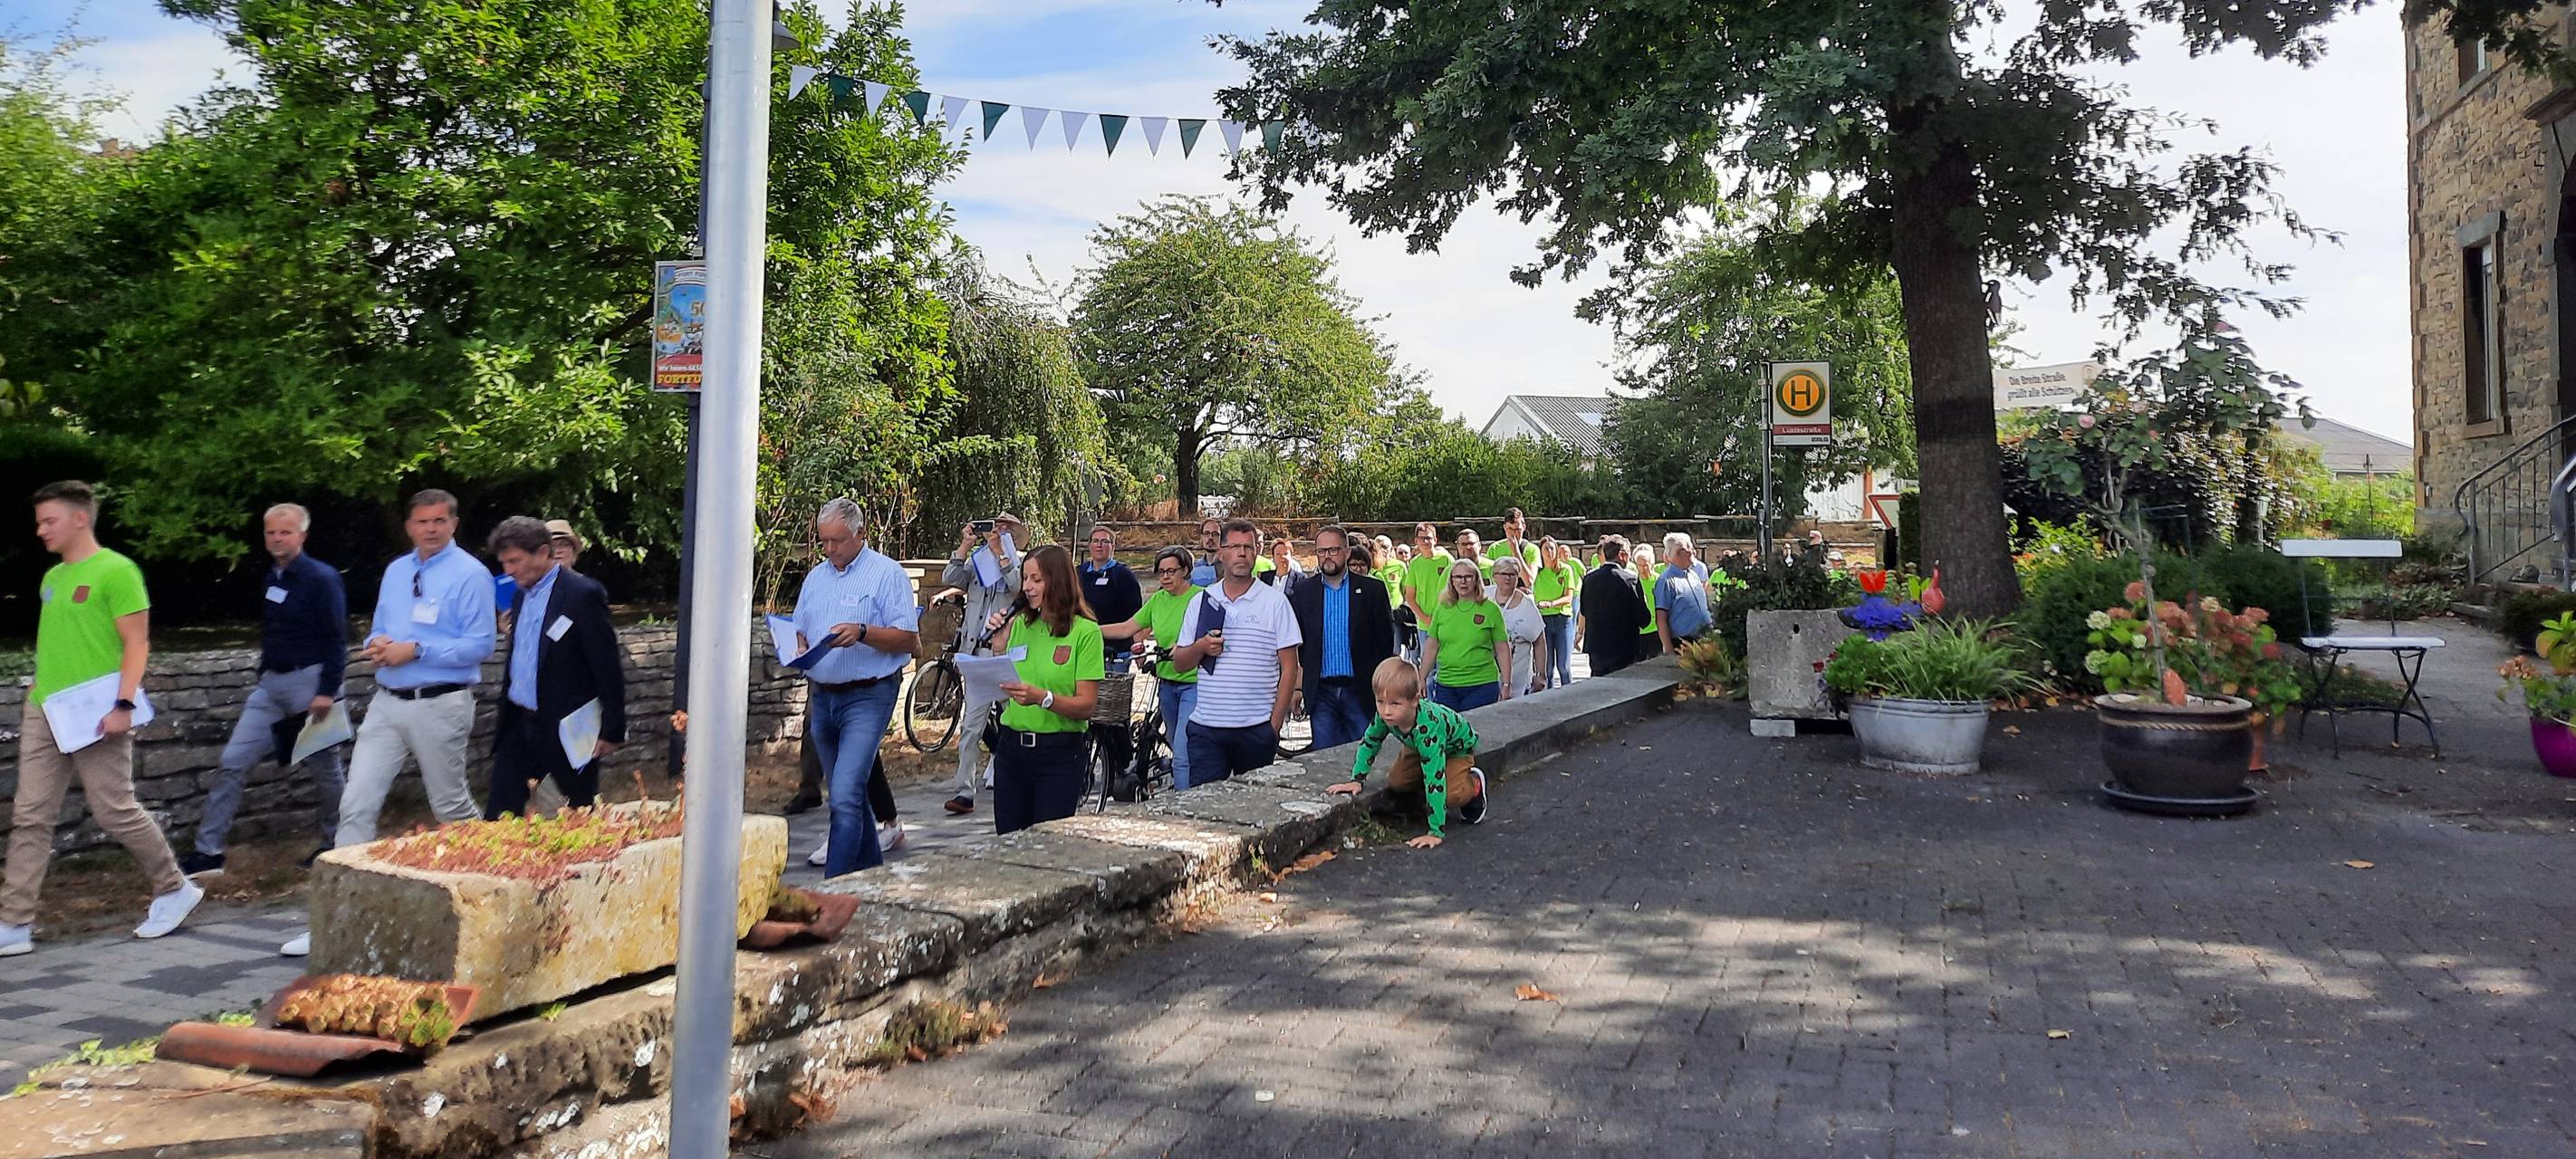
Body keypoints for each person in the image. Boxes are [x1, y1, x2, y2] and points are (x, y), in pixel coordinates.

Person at [283, 489, 496, 957]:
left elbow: (481, 644)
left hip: (440, 702)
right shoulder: (398, 570)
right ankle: (335, 921)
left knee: (450, 807)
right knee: (355, 804)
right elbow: (379, 625)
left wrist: (416, 650)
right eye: (422, 521)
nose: (431, 529)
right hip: (387, 702)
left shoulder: (471, 574)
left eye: (439, 521)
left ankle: (494, 898)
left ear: (454, 523)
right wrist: (377, 643)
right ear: (409, 526)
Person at [2, 482, 201, 956]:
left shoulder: (118, 571)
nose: (40, 530)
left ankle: (174, 888)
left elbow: (137, 643)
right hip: (46, 709)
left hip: (98, 714)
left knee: (114, 809)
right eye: (38, 522)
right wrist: (39, 684)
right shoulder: (52, 578)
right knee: (30, 815)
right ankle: (14, 923)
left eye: (48, 521)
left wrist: (124, 706)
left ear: (79, 519)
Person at [182, 503, 349, 877]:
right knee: (232, 761)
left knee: (325, 771)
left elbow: (337, 640)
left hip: (311, 685)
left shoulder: (322, 579)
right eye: (271, 532)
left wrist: (327, 691)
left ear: (302, 535)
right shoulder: (272, 577)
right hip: (271, 688)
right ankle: (209, 853)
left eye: (285, 532)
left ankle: (338, 844)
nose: (277, 538)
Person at [793, 498, 919, 876]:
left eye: (838, 540)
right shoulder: (816, 577)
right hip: (823, 695)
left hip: (868, 694)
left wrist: (863, 632)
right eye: (824, 541)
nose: (830, 549)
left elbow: (909, 639)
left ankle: (835, 885)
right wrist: (798, 644)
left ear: (860, 533)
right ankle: (869, 876)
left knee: (845, 794)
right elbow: (800, 626)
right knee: (847, 795)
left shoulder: (886, 574)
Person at [483, 517, 626, 821]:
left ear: (543, 553)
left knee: (579, 813)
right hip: (519, 723)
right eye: (504, 563)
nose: (509, 571)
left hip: (566, 726)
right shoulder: (519, 595)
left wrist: (612, 728)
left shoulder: (582, 594)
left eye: (515, 561)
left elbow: (606, 665)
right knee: (498, 815)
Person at [1171, 518, 1302, 782]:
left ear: (1256, 553)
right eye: (1234, 547)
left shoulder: (1275, 603)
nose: (1242, 553)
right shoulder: (1201, 601)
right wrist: (1201, 647)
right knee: (1205, 804)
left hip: (1256, 729)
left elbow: (1290, 667)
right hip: (1207, 728)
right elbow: (1180, 663)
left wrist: (1274, 726)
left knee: (1255, 805)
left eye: (1248, 547)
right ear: (1221, 553)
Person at [985, 544, 1102, 833]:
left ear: (1058, 580)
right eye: (1025, 578)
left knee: (1047, 843)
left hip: (1059, 754)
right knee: (1009, 842)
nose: (1027, 587)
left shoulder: (1085, 632)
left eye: (1036, 580)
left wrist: (1043, 698)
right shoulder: (1020, 625)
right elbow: (1003, 688)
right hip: (1011, 750)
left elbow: (1086, 705)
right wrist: (998, 647)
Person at [1323, 656, 1486, 849]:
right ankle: (1426, 793)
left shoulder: (1428, 727)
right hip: (1418, 745)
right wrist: (1356, 779)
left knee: (1450, 794)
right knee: (1397, 782)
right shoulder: (1385, 717)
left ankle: (1474, 784)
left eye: (1395, 704)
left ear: (1414, 700)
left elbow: (1434, 779)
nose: (1386, 711)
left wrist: (1435, 832)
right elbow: (1370, 742)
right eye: (1380, 702)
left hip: (1456, 749)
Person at [935, 514, 1023, 816]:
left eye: (1004, 528)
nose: (997, 531)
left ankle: (1017, 781)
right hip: (976, 653)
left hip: (1007, 656)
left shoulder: (1020, 562)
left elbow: (1017, 586)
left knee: (1016, 721)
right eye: (993, 526)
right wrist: (965, 545)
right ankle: (964, 791)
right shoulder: (976, 562)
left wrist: (1000, 553)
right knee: (971, 727)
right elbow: (951, 577)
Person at [1285, 524, 1397, 751]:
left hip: (1360, 689)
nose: (1327, 556)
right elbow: (1299, 646)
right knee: (1324, 756)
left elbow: (1385, 642)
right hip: (1321, 691)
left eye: (1333, 550)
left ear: (1346, 552)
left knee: (1364, 753)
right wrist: (1297, 688)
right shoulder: (1304, 592)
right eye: (1321, 551)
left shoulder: (1372, 590)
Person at [1100, 546, 1200, 789]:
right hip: (1167, 683)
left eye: (1171, 571)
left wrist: (1186, 645)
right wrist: (1089, 630)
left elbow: (1211, 633)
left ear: (1185, 570)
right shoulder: (1158, 599)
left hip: (1194, 684)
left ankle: (1183, 802)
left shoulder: (1200, 598)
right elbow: (1128, 628)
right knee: (1176, 745)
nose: (1165, 577)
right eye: (1161, 572)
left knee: (1183, 752)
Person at [1079, 526, 1144, 779]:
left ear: (1112, 546)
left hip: (1116, 651)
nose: (1099, 545)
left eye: (1105, 541)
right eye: (1095, 541)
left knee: (1113, 710)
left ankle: (1121, 763)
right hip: (1085, 649)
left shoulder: (1123, 575)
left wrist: (1137, 646)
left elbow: (1136, 614)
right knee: (1087, 708)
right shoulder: (1080, 573)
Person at [1418, 557, 1512, 712]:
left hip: (1481, 683)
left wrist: (1507, 683)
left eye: (1468, 577)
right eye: (1458, 577)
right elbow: (1431, 646)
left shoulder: (1490, 609)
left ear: (1476, 580)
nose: (1463, 581)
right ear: (1451, 581)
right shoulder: (1442, 609)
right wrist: (1422, 677)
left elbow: (1502, 648)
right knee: (1449, 726)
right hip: (1446, 684)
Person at [1579, 535, 1649, 677]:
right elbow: (1643, 618)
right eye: (1628, 554)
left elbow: (1584, 610)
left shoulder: (1589, 579)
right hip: (1623, 648)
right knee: (1622, 687)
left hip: (1596, 647)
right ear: (1621, 555)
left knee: (1599, 687)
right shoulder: (1630, 580)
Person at [1489, 557, 1549, 698]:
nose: (1508, 578)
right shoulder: (1484, 597)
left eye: (1513, 574)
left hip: (1518, 676)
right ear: (1494, 576)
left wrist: (1541, 674)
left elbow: (1539, 641)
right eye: (1504, 574)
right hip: (1486, 675)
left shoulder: (1527, 605)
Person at [1654, 532, 1716, 656]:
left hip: (1705, 638)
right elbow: (1661, 619)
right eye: (1690, 548)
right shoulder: (1666, 581)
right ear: (1679, 552)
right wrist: (1669, 652)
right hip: (1684, 643)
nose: (1694, 552)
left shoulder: (1693, 575)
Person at [1399, 522, 1450, 663]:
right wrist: (1425, 618)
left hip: (1446, 621)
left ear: (1435, 540)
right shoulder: (1415, 564)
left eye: (1429, 538)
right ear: (1416, 541)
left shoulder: (1446, 559)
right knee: (1428, 664)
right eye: (1422, 538)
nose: (1426, 541)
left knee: (1446, 662)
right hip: (1425, 624)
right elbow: (1410, 596)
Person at [1533, 536, 1580, 690]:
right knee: (1547, 668)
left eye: (1552, 548)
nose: (1550, 551)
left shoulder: (1565, 570)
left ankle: (1569, 695)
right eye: (1546, 548)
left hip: (1562, 619)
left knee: (1564, 666)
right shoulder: (1537, 572)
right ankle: (1548, 696)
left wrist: (1551, 603)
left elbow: (1568, 597)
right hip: (1543, 620)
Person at [1485, 506, 1541, 573]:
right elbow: (1489, 575)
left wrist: (1515, 551)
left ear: (1524, 527)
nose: (1514, 533)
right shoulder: (1494, 548)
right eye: (1510, 529)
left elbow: (1529, 579)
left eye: (1518, 529)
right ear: (1504, 527)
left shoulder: (1533, 550)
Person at [1189, 517, 1223, 588]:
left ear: (1222, 538)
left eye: (1215, 534)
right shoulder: (1193, 567)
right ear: (1201, 537)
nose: (1210, 537)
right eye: (1206, 533)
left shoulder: (1229, 567)